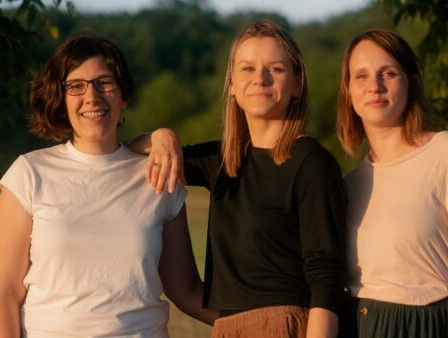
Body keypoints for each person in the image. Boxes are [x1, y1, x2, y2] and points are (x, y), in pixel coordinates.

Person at [0, 32, 216, 338]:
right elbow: (4, 297)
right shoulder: (29, 174)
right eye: (76, 86)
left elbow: (186, 291)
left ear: (123, 94)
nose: (92, 97)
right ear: (61, 98)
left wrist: (263, 324)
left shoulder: (158, 176)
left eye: (104, 83)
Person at [130, 20, 347, 338]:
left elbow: (326, 276)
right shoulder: (221, 161)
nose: (260, 78)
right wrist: (160, 136)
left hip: (288, 325)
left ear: (298, 84)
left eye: (275, 68)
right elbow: (127, 157)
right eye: (247, 69)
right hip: (228, 328)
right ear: (231, 83)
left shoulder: (311, 163)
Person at [335, 28, 448, 338]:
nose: (375, 86)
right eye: (361, 76)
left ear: (410, 82)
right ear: (348, 92)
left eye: (388, 73)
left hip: (432, 326)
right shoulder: (345, 188)